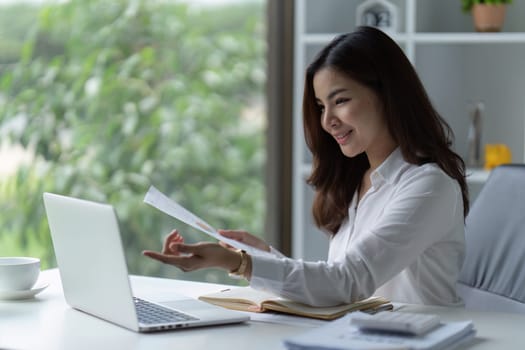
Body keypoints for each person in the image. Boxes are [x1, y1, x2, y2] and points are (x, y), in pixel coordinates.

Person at [143, 26, 469, 307]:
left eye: (340, 101)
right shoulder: (359, 180)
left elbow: (348, 282)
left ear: (388, 95)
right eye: (320, 106)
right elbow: (336, 286)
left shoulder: (429, 185)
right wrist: (263, 256)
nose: (328, 121)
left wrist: (242, 263)